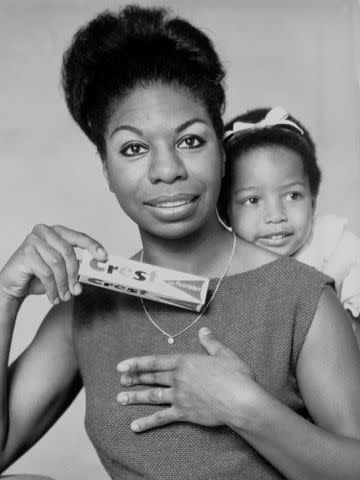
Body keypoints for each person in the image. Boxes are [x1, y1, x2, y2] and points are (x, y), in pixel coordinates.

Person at [1, 6, 360, 480]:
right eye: (133, 148)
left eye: (190, 141)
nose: (167, 170)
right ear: (106, 168)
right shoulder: (87, 308)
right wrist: (5, 297)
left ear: (220, 148)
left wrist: (244, 408)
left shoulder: (303, 299)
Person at [218, 106, 360, 330]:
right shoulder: (222, 267)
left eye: (293, 196)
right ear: (225, 212)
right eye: (252, 200)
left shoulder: (340, 251)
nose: (275, 216)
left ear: (312, 201)